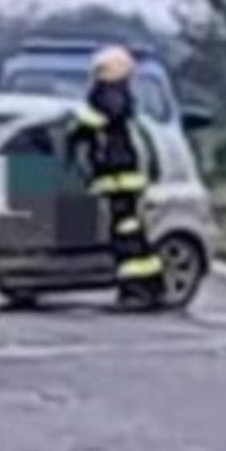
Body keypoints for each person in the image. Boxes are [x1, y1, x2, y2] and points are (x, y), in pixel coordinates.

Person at [66, 45, 165, 310]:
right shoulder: (118, 95)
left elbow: (93, 123)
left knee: (127, 238)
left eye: (101, 69)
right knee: (131, 236)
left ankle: (138, 292)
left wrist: (74, 132)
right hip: (122, 178)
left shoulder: (109, 96)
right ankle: (150, 288)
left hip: (119, 178)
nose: (96, 75)